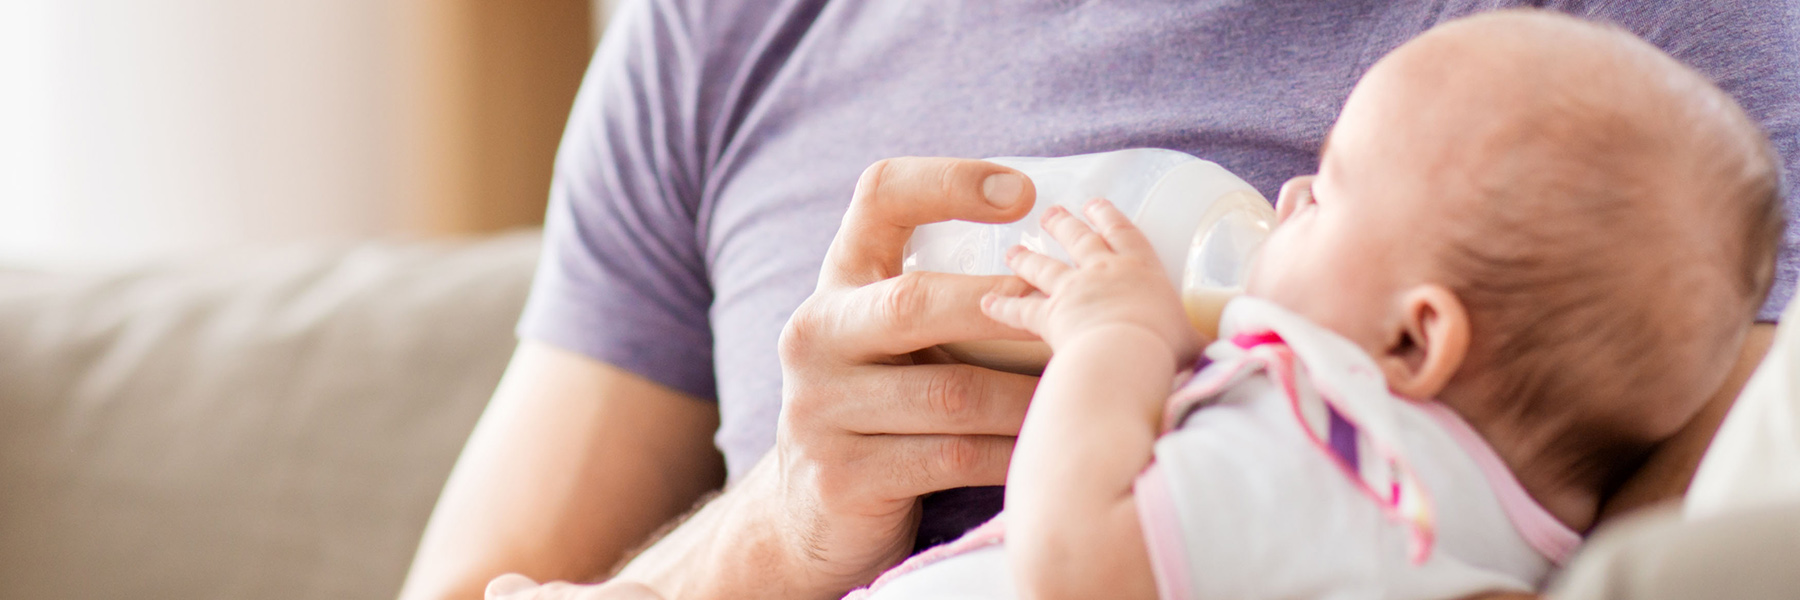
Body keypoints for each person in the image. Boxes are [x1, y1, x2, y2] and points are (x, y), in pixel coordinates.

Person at [394, 1, 1800, 599]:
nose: (1300, 200)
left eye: (1335, 183)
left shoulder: (1634, 103)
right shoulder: (727, 30)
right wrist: (785, 522)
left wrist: (1126, 349)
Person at [844, 10, 1781, 598]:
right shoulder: (1462, 525)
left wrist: (1111, 337)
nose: (1286, 196)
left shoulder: (1331, 447)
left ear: (1413, 341)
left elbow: (1079, 567)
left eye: (1327, 191)